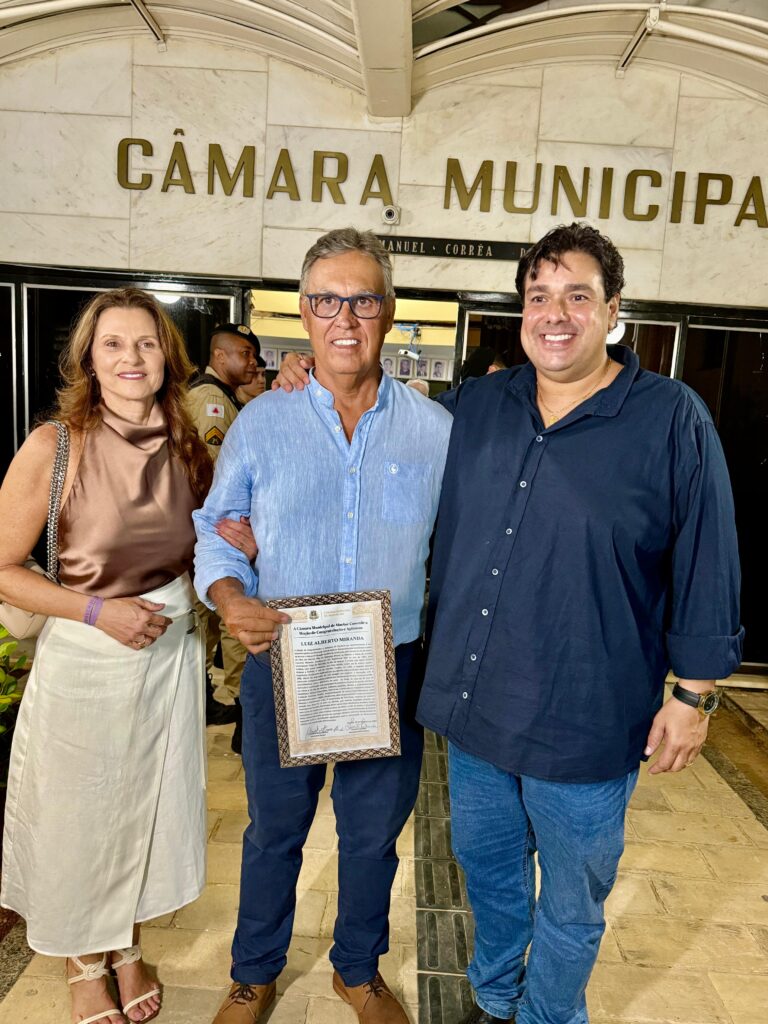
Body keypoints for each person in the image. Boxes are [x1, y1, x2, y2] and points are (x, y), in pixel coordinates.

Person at [416, 223, 743, 1024]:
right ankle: (496, 995)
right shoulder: (478, 406)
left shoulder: (671, 418)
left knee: (572, 898)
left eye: (577, 296)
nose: (554, 314)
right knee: (488, 871)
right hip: (478, 708)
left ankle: (549, 1014)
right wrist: (318, 386)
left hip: (587, 717)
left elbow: (708, 553)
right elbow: (385, 445)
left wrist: (694, 694)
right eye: (539, 296)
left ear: (613, 309)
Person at [193, 227, 452, 1024]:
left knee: (373, 836)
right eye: (327, 301)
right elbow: (216, 528)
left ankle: (357, 971)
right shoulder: (262, 425)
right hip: (284, 658)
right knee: (274, 831)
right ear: (305, 314)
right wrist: (230, 596)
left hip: (389, 664)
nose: (346, 318)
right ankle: (253, 972)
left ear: (389, 312)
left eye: (363, 300)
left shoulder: (435, 432)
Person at [0, 288, 214, 1024]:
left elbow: (199, 546)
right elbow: (3, 568)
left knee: (145, 812)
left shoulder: (187, 443)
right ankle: (82, 961)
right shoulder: (54, 445)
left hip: (168, 661)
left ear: (167, 357)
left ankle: (124, 943)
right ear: (88, 358)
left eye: (147, 343)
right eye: (114, 344)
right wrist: (100, 611)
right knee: (80, 815)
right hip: (86, 658)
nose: (132, 358)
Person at [187, 323, 261, 735]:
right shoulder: (212, 400)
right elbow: (212, 480)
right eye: (244, 353)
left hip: (213, 535)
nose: (252, 362)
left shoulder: (226, 398)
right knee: (212, 623)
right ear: (219, 355)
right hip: (216, 536)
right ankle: (221, 699)